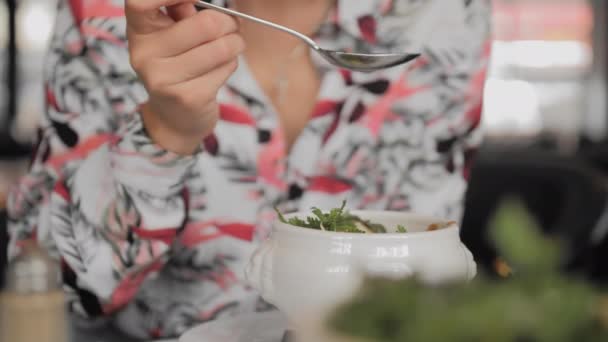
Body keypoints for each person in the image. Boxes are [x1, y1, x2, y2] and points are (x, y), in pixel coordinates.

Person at [7, 0, 491, 339]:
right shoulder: (108, 12)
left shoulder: (441, 15)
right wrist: (165, 131)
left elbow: (425, 270)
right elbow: (48, 285)